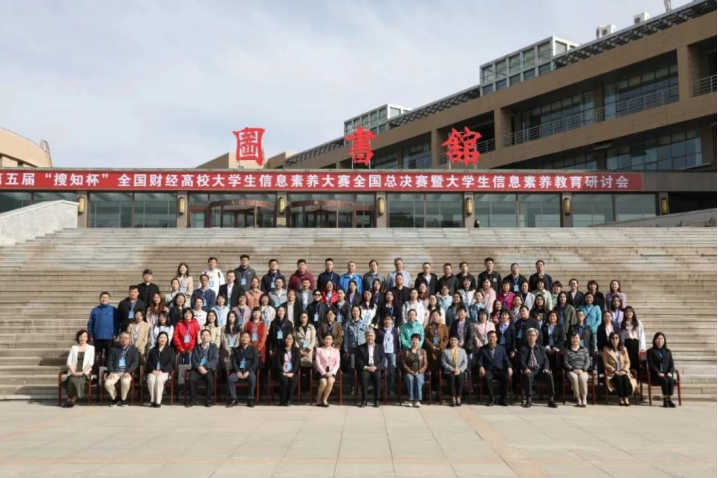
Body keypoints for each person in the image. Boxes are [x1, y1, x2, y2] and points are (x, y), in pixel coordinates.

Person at [519, 328, 557, 408]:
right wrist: (525, 368)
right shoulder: (523, 348)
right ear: (527, 337)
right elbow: (521, 360)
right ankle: (529, 400)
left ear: (536, 337)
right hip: (530, 370)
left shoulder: (541, 348)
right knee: (528, 376)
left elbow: (546, 360)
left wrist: (546, 368)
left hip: (540, 370)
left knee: (549, 375)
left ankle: (551, 399)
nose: (532, 337)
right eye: (530, 335)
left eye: (533, 335)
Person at [477, 331, 512, 406]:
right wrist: (481, 367)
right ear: (487, 338)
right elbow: (479, 361)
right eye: (490, 337)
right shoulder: (482, 349)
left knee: (507, 378)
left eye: (493, 337)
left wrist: (509, 367)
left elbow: (506, 360)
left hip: (499, 370)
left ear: (496, 338)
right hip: (489, 370)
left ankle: (503, 400)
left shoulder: (501, 348)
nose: (492, 338)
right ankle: (492, 399)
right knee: (486, 378)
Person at [105, 333, 139, 407]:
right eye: (122, 338)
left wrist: (128, 371)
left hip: (126, 372)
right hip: (115, 372)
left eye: (126, 338)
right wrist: (111, 371)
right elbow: (109, 361)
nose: (124, 340)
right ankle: (115, 399)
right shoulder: (113, 349)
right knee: (108, 383)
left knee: (125, 382)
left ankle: (123, 399)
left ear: (129, 339)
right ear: (120, 339)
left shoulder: (134, 350)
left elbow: (135, 363)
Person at [63, 330, 95, 408]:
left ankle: (73, 399)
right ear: (78, 338)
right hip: (74, 370)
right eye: (81, 336)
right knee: (71, 379)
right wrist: (73, 371)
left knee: (78, 380)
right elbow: (69, 361)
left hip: (84, 372)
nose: (82, 338)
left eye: (84, 337)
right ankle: (69, 399)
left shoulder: (91, 348)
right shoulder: (74, 348)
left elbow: (90, 363)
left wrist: (82, 372)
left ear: (87, 338)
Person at [227, 331, 260, 408]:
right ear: (240, 339)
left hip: (249, 371)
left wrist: (248, 371)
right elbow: (233, 362)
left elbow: (255, 362)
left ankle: (250, 399)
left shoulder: (253, 349)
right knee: (231, 379)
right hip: (238, 371)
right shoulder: (236, 350)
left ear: (250, 339)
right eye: (243, 337)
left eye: (247, 337)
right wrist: (238, 371)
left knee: (252, 378)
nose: (245, 338)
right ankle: (233, 399)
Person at [603, 332, 637, 406]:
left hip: (623, 371)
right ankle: (620, 398)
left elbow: (627, 362)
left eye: (616, 338)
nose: (615, 340)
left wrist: (624, 370)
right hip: (612, 372)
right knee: (618, 378)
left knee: (625, 378)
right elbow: (605, 363)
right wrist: (614, 371)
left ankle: (626, 398)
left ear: (619, 339)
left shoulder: (624, 349)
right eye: (613, 338)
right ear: (610, 339)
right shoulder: (606, 349)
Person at [187, 329, 219, 407]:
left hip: (208, 369)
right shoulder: (196, 348)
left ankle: (208, 400)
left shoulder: (214, 347)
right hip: (197, 369)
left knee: (210, 379)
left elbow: (215, 360)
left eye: (207, 335)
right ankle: (193, 399)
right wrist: (199, 367)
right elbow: (193, 359)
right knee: (191, 378)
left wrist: (205, 367)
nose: (205, 337)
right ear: (200, 337)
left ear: (210, 337)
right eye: (203, 335)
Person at [88, 292, 119, 366]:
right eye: (102, 297)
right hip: (97, 336)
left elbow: (117, 323)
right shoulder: (95, 310)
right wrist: (91, 334)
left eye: (106, 297)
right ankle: (97, 369)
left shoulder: (114, 310)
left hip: (109, 336)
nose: (104, 299)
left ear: (109, 299)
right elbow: (90, 324)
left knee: (109, 355)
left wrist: (116, 333)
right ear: (99, 298)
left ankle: (108, 369)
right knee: (97, 355)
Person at [145, 331, 175, 408]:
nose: (162, 339)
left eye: (164, 338)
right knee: (151, 380)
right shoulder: (152, 350)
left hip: (164, 372)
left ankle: (158, 401)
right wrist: (153, 370)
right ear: (158, 339)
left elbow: (171, 363)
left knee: (159, 380)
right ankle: (152, 400)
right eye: (161, 337)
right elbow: (149, 362)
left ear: (167, 339)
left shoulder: (171, 350)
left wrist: (162, 370)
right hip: (153, 371)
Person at [647, 332, 677, 408]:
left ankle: (669, 399)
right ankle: (665, 400)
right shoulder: (650, 351)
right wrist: (658, 372)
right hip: (656, 375)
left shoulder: (668, 351)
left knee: (670, 380)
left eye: (661, 339)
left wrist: (670, 372)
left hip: (666, 374)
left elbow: (671, 364)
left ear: (664, 340)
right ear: (654, 340)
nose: (660, 340)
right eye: (658, 339)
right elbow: (651, 364)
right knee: (665, 380)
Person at [356, 329, 385, 407]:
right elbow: (358, 360)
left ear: (374, 337)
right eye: (368, 336)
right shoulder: (360, 347)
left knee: (378, 377)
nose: (370, 337)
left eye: (371, 336)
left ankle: (377, 400)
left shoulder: (380, 347)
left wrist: (376, 367)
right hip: (366, 368)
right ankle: (364, 400)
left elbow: (382, 360)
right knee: (363, 377)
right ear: (365, 337)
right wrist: (366, 367)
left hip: (376, 368)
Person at [564, 332, 591, 407]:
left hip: (583, 370)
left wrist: (583, 369)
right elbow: (565, 362)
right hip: (572, 371)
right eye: (573, 338)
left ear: (579, 339)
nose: (575, 340)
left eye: (576, 338)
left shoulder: (584, 349)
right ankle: (578, 399)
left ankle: (584, 399)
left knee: (582, 378)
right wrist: (573, 369)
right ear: (570, 340)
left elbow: (588, 361)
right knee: (575, 378)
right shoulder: (567, 350)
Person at [400, 334, 428, 407]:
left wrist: (419, 372)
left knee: (418, 378)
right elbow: (403, 363)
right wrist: (410, 371)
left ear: (419, 341)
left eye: (416, 340)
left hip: (419, 372)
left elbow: (425, 364)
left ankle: (417, 400)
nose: (414, 341)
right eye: (413, 339)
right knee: (409, 378)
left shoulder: (423, 351)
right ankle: (410, 399)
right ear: (411, 341)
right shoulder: (406, 351)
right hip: (409, 372)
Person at [343, 306, 368, 388]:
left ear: (360, 312)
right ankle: (353, 387)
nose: (355, 312)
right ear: (351, 312)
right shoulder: (348, 323)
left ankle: (361, 386)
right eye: (354, 311)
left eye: (357, 311)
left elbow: (367, 336)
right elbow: (346, 337)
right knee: (352, 367)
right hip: (352, 349)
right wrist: (345, 350)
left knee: (362, 367)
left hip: (362, 349)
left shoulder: (364, 323)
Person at [314, 334, 341, 407]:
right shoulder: (319, 350)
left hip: (332, 372)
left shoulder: (336, 351)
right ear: (323, 340)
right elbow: (318, 363)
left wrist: (332, 372)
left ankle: (325, 399)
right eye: (326, 339)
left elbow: (337, 364)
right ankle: (318, 399)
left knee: (330, 380)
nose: (328, 341)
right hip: (321, 371)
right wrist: (324, 373)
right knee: (323, 382)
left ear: (332, 341)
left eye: (329, 339)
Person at [274, 334, 301, 406]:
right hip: (281, 371)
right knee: (284, 380)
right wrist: (283, 372)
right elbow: (277, 362)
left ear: (293, 340)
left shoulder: (296, 350)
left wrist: (292, 372)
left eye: (291, 339)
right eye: (287, 338)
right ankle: (282, 400)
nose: (289, 340)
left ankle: (288, 399)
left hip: (292, 372)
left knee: (293, 380)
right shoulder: (280, 349)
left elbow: (297, 363)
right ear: (284, 340)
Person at [294, 312, 316, 396]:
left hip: (308, 352)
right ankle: (299, 389)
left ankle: (307, 389)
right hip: (299, 352)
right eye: (302, 317)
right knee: (299, 371)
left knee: (307, 372)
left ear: (307, 318)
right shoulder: (296, 327)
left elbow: (313, 340)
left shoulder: (311, 327)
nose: (303, 318)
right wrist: (299, 350)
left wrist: (307, 350)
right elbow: (294, 340)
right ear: (300, 318)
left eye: (305, 317)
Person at [376, 316, 399, 396]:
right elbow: (377, 343)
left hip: (392, 353)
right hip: (383, 353)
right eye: (386, 319)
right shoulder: (380, 331)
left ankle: (390, 389)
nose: (387, 321)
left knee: (392, 371)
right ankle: (383, 389)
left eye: (389, 320)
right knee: (384, 371)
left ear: (392, 321)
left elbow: (397, 342)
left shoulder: (395, 330)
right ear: (383, 321)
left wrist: (397, 352)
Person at [441, 336, 467, 407]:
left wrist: (460, 370)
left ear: (458, 342)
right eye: (452, 340)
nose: (453, 341)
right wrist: (452, 369)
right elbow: (443, 362)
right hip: (449, 371)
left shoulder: (462, 351)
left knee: (460, 378)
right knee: (451, 378)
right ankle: (453, 399)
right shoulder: (446, 351)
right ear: (449, 341)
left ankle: (458, 397)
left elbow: (465, 362)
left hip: (459, 370)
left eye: (455, 340)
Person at [620, 306, 646, 376]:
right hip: (627, 343)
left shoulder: (638, 323)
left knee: (636, 361)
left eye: (630, 311)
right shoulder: (622, 323)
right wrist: (622, 345)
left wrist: (642, 347)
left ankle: (637, 378)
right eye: (627, 312)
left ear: (633, 313)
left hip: (635, 343)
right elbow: (621, 336)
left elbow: (642, 335)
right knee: (628, 361)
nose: (628, 313)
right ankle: (629, 377)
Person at [424, 310, 449, 375]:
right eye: (433, 316)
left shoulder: (444, 327)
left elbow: (446, 338)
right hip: (431, 350)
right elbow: (425, 338)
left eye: (436, 315)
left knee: (441, 368)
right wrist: (431, 346)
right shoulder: (428, 326)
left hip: (441, 350)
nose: (435, 317)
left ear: (440, 316)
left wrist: (440, 347)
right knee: (432, 369)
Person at [541, 311, 565, 375]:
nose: (552, 317)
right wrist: (547, 348)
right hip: (547, 349)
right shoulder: (544, 326)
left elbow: (562, 339)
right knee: (547, 364)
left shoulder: (560, 327)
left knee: (556, 366)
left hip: (557, 349)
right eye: (550, 316)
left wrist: (554, 348)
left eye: (554, 316)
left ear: (557, 317)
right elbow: (542, 339)